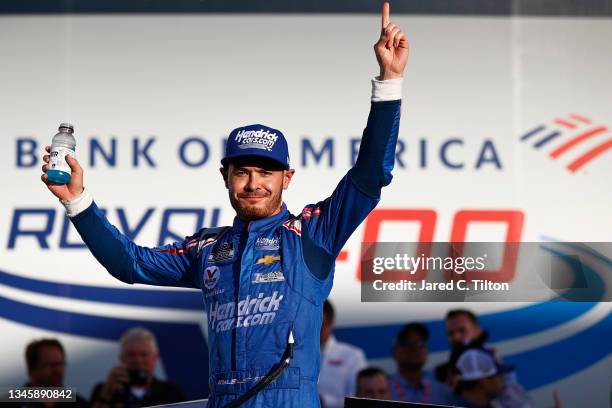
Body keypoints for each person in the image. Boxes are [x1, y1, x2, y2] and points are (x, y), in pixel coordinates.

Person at [40, 3, 408, 407]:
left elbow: (370, 175)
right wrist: (77, 200)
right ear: (225, 177)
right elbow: (128, 263)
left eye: (266, 173)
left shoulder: (313, 233)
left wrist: (388, 82)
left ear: (287, 178)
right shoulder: (207, 249)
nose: (254, 184)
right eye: (243, 172)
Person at [90, 327, 185, 408]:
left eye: (144, 354)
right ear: (122, 358)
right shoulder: (103, 390)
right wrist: (106, 394)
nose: (138, 361)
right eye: (131, 355)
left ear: (155, 357)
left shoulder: (171, 391)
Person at [388, 323, 453, 405]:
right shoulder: (380, 389)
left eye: (420, 342)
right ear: (394, 352)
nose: (415, 348)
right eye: (406, 343)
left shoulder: (443, 388)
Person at [318, 300, 367, 407]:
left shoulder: (353, 356)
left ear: (331, 324)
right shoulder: (293, 354)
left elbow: (358, 400)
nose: (314, 330)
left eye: (319, 325)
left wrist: (324, 401)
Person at [18, 338, 89, 407]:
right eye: (50, 365)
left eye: (60, 364)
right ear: (31, 369)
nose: (57, 370)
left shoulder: (80, 404)